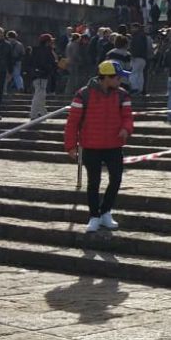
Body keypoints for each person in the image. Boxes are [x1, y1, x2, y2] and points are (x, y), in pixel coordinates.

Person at [64, 60, 134, 234]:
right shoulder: (83, 95)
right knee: (93, 182)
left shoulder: (122, 95)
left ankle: (106, 211)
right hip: (91, 145)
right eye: (118, 77)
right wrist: (71, 146)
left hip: (114, 145)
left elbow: (127, 116)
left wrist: (126, 129)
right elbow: (72, 122)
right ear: (107, 78)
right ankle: (94, 215)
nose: (121, 81)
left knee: (116, 179)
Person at [29, 34, 58, 119]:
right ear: (47, 42)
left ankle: (43, 112)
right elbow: (50, 63)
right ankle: (33, 114)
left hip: (35, 74)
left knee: (41, 94)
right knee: (39, 94)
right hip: (42, 75)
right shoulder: (47, 51)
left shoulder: (34, 50)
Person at [128, 23, 151, 95]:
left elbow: (137, 47)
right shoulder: (143, 36)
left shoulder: (136, 37)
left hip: (136, 57)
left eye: (133, 28)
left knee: (133, 73)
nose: (131, 30)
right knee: (140, 74)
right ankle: (140, 88)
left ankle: (134, 88)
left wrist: (133, 55)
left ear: (136, 28)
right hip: (143, 58)